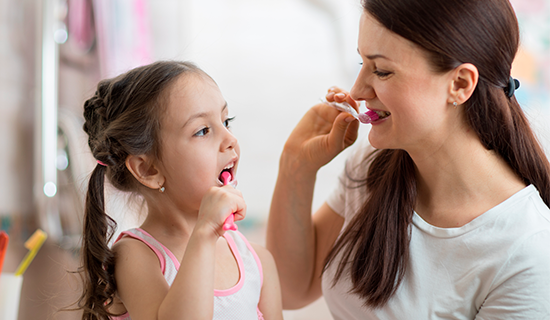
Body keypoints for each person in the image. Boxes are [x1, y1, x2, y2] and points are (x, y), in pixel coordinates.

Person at [267, 0, 550, 318]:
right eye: (361, 62)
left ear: (459, 84)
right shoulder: (372, 166)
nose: (357, 90)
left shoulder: (527, 253)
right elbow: (290, 289)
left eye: (382, 71)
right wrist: (297, 166)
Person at [76, 61, 283, 320]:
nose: (231, 140)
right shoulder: (135, 259)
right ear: (148, 170)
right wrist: (205, 233)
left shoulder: (258, 263)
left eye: (226, 121)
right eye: (203, 131)